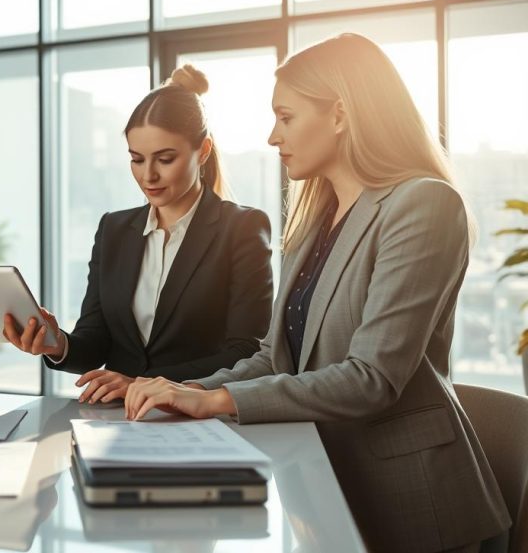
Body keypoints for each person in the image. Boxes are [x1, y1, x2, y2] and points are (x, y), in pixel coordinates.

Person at [123, 34, 510, 553]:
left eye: (285, 117)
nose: (271, 136)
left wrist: (215, 400)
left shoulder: (423, 205)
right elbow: (277, 357)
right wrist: (182, 393)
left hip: (414, 505)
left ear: (340, 115)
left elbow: (371, 378)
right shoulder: (315, 219)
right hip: (323, 480)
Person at [0, 65, 274, 403]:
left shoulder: (242, 228)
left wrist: (140, 383)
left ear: (202, 151)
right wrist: (57, 342)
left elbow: (246, 352)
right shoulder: (114, 230)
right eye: (136, 159)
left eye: (165, 159)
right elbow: (96, 341)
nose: (149, 175)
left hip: (202, 417)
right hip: (118, 417)